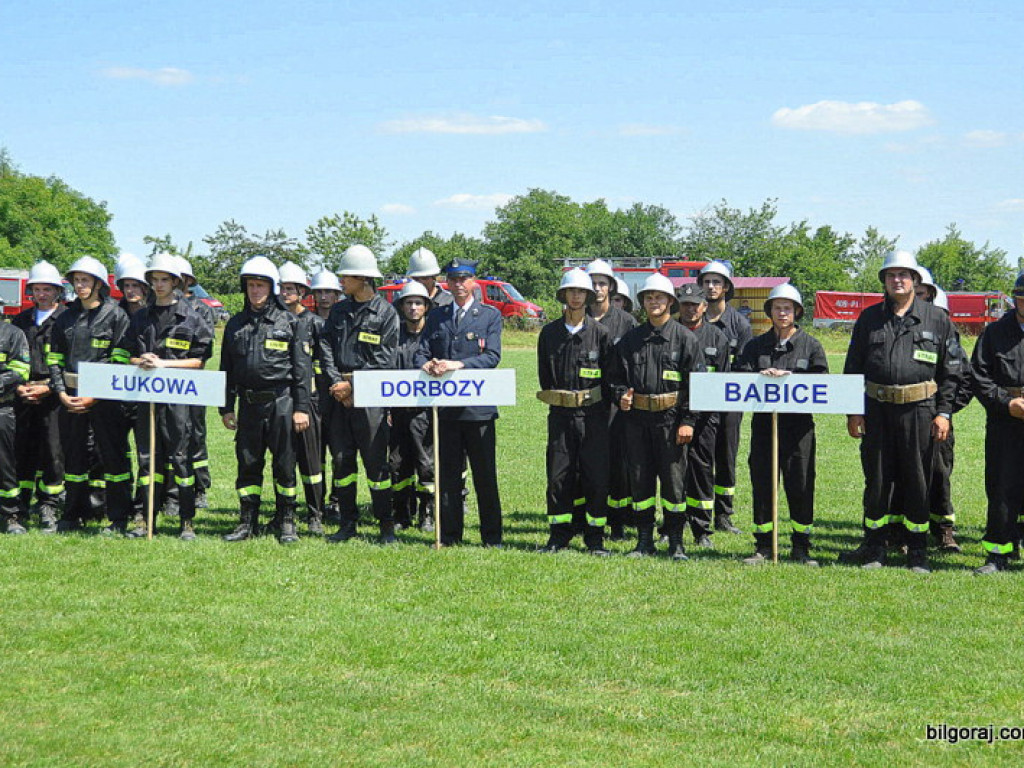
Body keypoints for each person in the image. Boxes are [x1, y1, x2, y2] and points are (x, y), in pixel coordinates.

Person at [842, 251, 964, 573]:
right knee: (877, 481)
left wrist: (944, 414)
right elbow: (852, 367)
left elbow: (951, 373)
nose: (898, 280)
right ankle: (874, 548)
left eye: (904, 275)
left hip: (920, 411)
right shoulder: (868, 319)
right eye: (891, 275)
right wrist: (853, 412)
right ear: (884, 280)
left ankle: (918, 552)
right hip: (877, 411)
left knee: (918, 481)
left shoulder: (937, 319)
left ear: (915, 281)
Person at [734, 284, 828, 566]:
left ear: (797, 311)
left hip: (799, 429)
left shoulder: (811, 345)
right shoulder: (755, 345)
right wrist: (760, 377)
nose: (783, 313)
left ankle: (801, 546)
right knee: (763, 484)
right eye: (778, 308)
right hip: (764, 426)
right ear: (770, 312)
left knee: (800, 484)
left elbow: (823, 382)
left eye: (788, 308)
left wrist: (792, 379)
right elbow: (739, 377)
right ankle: (763, 545)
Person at [219, 257, 311, 544]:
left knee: (284, 464)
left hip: (281, 403)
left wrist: (301, 408)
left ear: (271, 288)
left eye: (260, 285)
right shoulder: (235, 324)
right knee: (248, 463)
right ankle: (247, 521)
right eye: (250, 285)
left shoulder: (290, 322)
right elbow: (226, 369)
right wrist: (226, 407)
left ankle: (287, 522)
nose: (255, 290)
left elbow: (302, 370)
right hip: (248, 405)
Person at [612, 273, 704, 560]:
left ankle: (676, 543)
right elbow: (614, 378)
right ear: (643, 303)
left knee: (674, 485)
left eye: (659, 298)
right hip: (637, 421)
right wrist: (620, 396)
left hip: (671, 421)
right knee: (640, 482)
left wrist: (688, 421)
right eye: (649, 298)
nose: (654, 302)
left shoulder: (685, 339)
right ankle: (643, 541)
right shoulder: (631, 340)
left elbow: (697, 385)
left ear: (670, 302)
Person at [415, 258, 504, 547]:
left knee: (484, 477)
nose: (459, 284)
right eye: (453, 279)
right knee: (448, 478)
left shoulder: (489, 316)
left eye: (464, 279)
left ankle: (492, 537)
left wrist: (457, 364)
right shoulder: (437, 316)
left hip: (478, 410)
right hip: (447, 412)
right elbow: (421, 351)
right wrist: (428, 364)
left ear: (474, 282)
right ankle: (450, 535)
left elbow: (492, 356)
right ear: (447, 282)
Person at [127, 253, 214, 540]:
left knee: (181, 457)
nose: (159, 285)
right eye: (155, 280)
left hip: (178, 399)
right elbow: (127, 354)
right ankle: (145, 518)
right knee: (148, 458)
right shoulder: (141, 317)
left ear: (176, 282)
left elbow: (198, 361)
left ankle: (186, 520)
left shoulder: (192, 317)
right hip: (147, 398)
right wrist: (141, 360)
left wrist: (163, 364)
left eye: (165, 280)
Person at [318, 245, 399, 544]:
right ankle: (347, 522)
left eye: (346, 276)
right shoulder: (339, 310)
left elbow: (385, 359)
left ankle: (385, 525)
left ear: (363, 278)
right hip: (338, 395)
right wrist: (337, 381)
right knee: (342, 462)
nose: (341, 282)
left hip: (370, 399)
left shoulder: (387, 313)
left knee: (376, 463)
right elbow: (324, 345)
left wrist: (353, 385)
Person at [48, 256, 135, 534]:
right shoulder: (65, 317)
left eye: (85, 280)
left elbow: (120, 359)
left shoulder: (116, 315)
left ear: (99, 283)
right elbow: (54, 359)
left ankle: (118, 517)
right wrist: (62, 394)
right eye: (76, 280)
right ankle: (72, 515)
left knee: (113, 456)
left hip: (106, 398)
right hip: (71, 398)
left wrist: (95, 395)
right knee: (73, 458)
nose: (80, 285)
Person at [536, 268, 613, 555]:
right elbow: (545, 375)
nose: (577, 296)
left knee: (595, 477)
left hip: (593, 417)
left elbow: (609, 379)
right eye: (572, 291)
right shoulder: (549, 334)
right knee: (558, 476)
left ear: (589, 296)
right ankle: (558, 535)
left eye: (582, 291)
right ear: (563, 295)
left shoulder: (601, 334)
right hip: (560, 416)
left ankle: (595, 538)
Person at [969, 272, 1024, 574]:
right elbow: (979, 376)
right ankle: (997, 554)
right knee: (1002, 486)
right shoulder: (994, 333)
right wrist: (1007, 403)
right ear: (1015, 298)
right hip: (1006, 422)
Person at [909, 270, 965, 553]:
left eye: (922, 295)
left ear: (930, 295)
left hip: (939, 416)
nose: (916, 299)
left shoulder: (943, 325)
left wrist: (947, 410)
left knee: (939, 474)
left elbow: (961, 375)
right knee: (903, 475)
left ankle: (944, 530)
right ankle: (901, 532)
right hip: (908, 415)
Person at [674, 283, 730, 547]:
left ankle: (702, 528)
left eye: (695, 304)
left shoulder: (717, 337)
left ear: (704, 307)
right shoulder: (669, 333)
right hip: (673, 414)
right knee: (672, 471)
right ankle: (670, 524)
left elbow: (722, 378)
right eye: (685, 304)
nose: (690, 309)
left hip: (706, 417)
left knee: (701, 470)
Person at [12, 261, 66, 531]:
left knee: (53, 452)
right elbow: (11, 359)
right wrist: (19, 386)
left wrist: (49, 387)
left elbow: (71, 362)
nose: (42, 294)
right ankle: (20, 504)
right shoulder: (20, 321)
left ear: (57, 291)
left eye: (47, 289)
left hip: (54, 396)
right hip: (22, 395)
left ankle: (49, 505)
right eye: (37, 289)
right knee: (21, 450)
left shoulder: (67, 320)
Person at [585, 259, 637, 541]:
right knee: (588, 464)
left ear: (611, 287)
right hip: (585, 405)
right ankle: (587, 520)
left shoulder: (626, 322)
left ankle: (618, 523)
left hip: (616, 405)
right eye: (592, 283)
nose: (597, 288)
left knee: (618, 464)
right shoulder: (577, 317)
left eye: (602, 283)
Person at [699, 260, 752, 535]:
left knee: (726, 457)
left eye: (716, 282)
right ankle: (697, 513)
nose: (710, 287)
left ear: (726, 287)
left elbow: (744, 367)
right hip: (698, 402)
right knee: (698, 458)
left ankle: (724, 514)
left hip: (730, 401)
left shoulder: (740, 324)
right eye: (706, 281)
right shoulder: (691, 318)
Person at [278, 261, 328, 535]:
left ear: (301, 291)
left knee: (312, 460)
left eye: (290, 288)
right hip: (281, 400)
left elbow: (322, 362)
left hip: (310, 401)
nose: (285, 293)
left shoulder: (315, 323)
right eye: (282, 288)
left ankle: (315, 515)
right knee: (284, 459)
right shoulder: (273, 320)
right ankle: (284, 514)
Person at [389, 280, 436, 532]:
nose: (414, 307)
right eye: (409, 303)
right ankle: (401, 513)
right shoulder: (393, 336)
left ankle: (427, 513)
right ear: (402, 306)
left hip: (425, 413)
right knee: (397, 464)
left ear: (426, 307)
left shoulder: (434, 337)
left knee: (426, 464)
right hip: (397, 412)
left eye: (418, 303)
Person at [177, 256, 217, 510]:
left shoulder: (202, 309)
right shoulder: (159, 307)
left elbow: (205, 348)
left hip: (193, 382)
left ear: (188, 281)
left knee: (195, 434)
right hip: (165, 384)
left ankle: (200, 487)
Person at [0, 318, 31, 533]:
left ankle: (11, 515)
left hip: (2, 407)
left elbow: (21, 369)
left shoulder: (12, 333)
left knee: (4, 465)